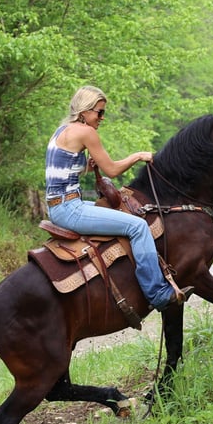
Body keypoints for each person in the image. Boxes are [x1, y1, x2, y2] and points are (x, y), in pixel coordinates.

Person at [45, 85, 192, 312]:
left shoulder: (61, 130)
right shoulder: (86, 132)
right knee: (138, 226)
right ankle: (157, 293)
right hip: (70, 208)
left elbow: (63, 172)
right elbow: (112, 171)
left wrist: (87, 166)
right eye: (99, 112)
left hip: (59, 206)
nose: (102, 118)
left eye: (104, 112)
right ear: (84, 111)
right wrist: (138, 156)